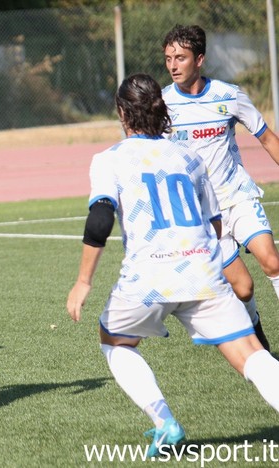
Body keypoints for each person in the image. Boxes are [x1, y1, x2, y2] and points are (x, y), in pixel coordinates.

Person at [66, 73, 279, 457]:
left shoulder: (110, 159)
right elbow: (215, 225)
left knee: (114, 341)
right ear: (162, 111)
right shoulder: (190, 157)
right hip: (204, 272)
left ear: (121, 112)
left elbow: (100, 219)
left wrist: (83, 281)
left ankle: (165, 422)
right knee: (253, 355)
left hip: (149, 278)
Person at [162, 24, 279, 351]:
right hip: (202, 215)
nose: (173, 65)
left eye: (181, 58)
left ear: (199, 59)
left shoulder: (229, 95)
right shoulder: (162, 105)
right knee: (243, 289)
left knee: (272, 260)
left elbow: (268, 139)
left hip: (238, 196)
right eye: (169, 58)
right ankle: (257, 336)